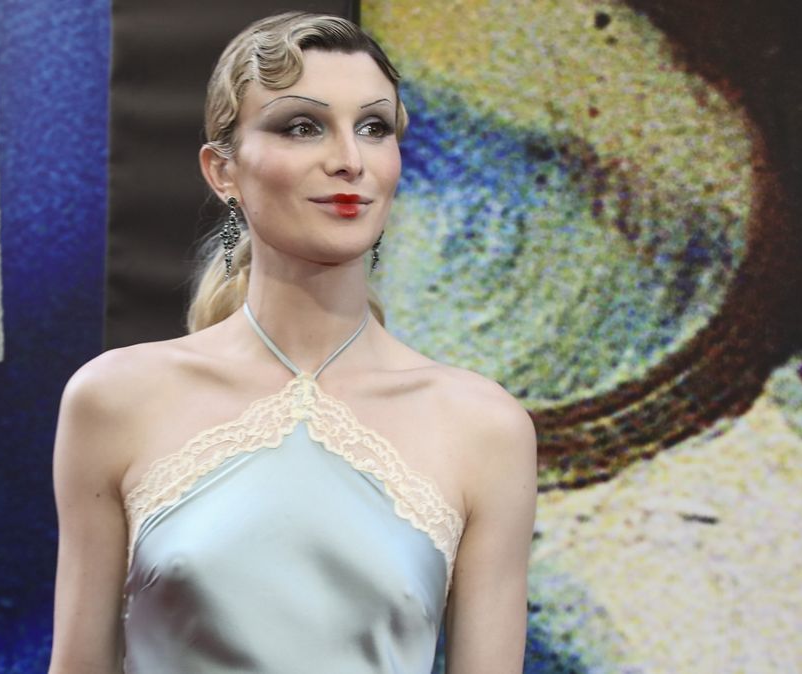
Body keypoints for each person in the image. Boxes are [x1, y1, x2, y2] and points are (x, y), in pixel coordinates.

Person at [49, 11, 537, 673]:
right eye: (303, 127)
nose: (349, 160)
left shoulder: (484, 427)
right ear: (222, 170)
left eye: (374, 128)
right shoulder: (115, 400)